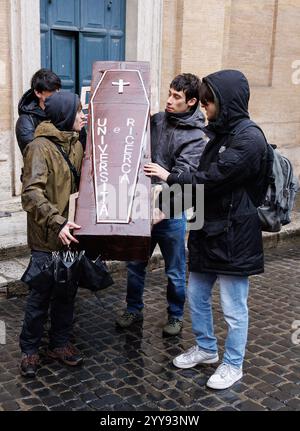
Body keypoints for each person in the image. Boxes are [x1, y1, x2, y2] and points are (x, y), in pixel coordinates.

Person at [144, 70, 267, 389]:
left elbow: (212, 179)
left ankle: (233, 364)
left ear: (227, 103)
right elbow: (203, 185)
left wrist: (170, 177)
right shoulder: (217, 134)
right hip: (206, 230)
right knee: (197, 296)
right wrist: (165, 209)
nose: (205, 108)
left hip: (234, 236)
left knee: (233, 307)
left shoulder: (249, 139)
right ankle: (207, 348)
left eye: (210, 102)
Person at [116, 73, 207, 336]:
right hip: (142, 206)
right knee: (135, 265)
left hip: (171, 212)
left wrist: (162, 210)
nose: (169, 100)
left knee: (175, 271)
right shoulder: (157, 119)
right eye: (169, 93)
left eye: (176, 97)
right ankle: (133, 309)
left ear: (191, 102)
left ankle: (175, 315)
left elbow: (185, 179)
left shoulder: (196, 137)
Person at [19, 91, 85, 378]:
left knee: (66, 294)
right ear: (66, 116)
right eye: (80, 112)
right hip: (48, 235)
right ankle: (30, 350)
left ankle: (59, 344)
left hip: (71, 235)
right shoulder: (38, 147)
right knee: (39, 297)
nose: (84, 116)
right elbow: (31, 194)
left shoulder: (77, 145)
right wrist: (57, 223)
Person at [15, 68, 86, 155]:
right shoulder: (26, 121)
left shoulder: (66, 112)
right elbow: (35, 154)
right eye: (52, 91)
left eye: (58, 89)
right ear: (38, 93)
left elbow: (82, 145)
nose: (57, 93)